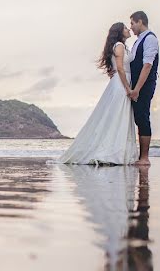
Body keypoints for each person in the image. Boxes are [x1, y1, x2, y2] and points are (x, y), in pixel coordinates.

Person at [58, 21, 139, 165]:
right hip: (121, 84)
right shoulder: (119, 46)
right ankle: (112, 153)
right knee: (117, 117)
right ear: (120, 32)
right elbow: (120, 68)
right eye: (126, 28)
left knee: (118, 117)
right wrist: (128, 88)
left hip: (121, 81)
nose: (128, 29)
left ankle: (117, 150)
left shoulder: (123, 47)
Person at [127, 11, 159, 166]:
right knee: (137, 118)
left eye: (132, 23)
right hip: (135, 86)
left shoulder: (150, 39)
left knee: (142, 117)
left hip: (144, 86)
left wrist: (137, 89)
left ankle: (145, 158)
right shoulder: (137, 41)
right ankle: (138, 156)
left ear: (140, 22)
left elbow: (147, 66)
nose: (131, 27)